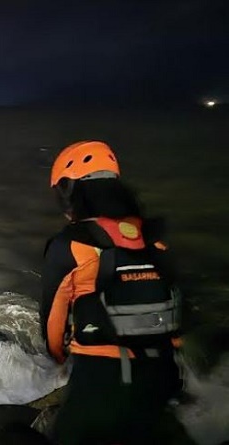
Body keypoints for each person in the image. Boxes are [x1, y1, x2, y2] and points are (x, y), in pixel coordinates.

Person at [39, 141, 192, 444]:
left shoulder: (71, 244)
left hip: (102, 378)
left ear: (71, 191)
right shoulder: (153, 240)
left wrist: (59, 356)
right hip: (162, 375)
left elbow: (52, 329)